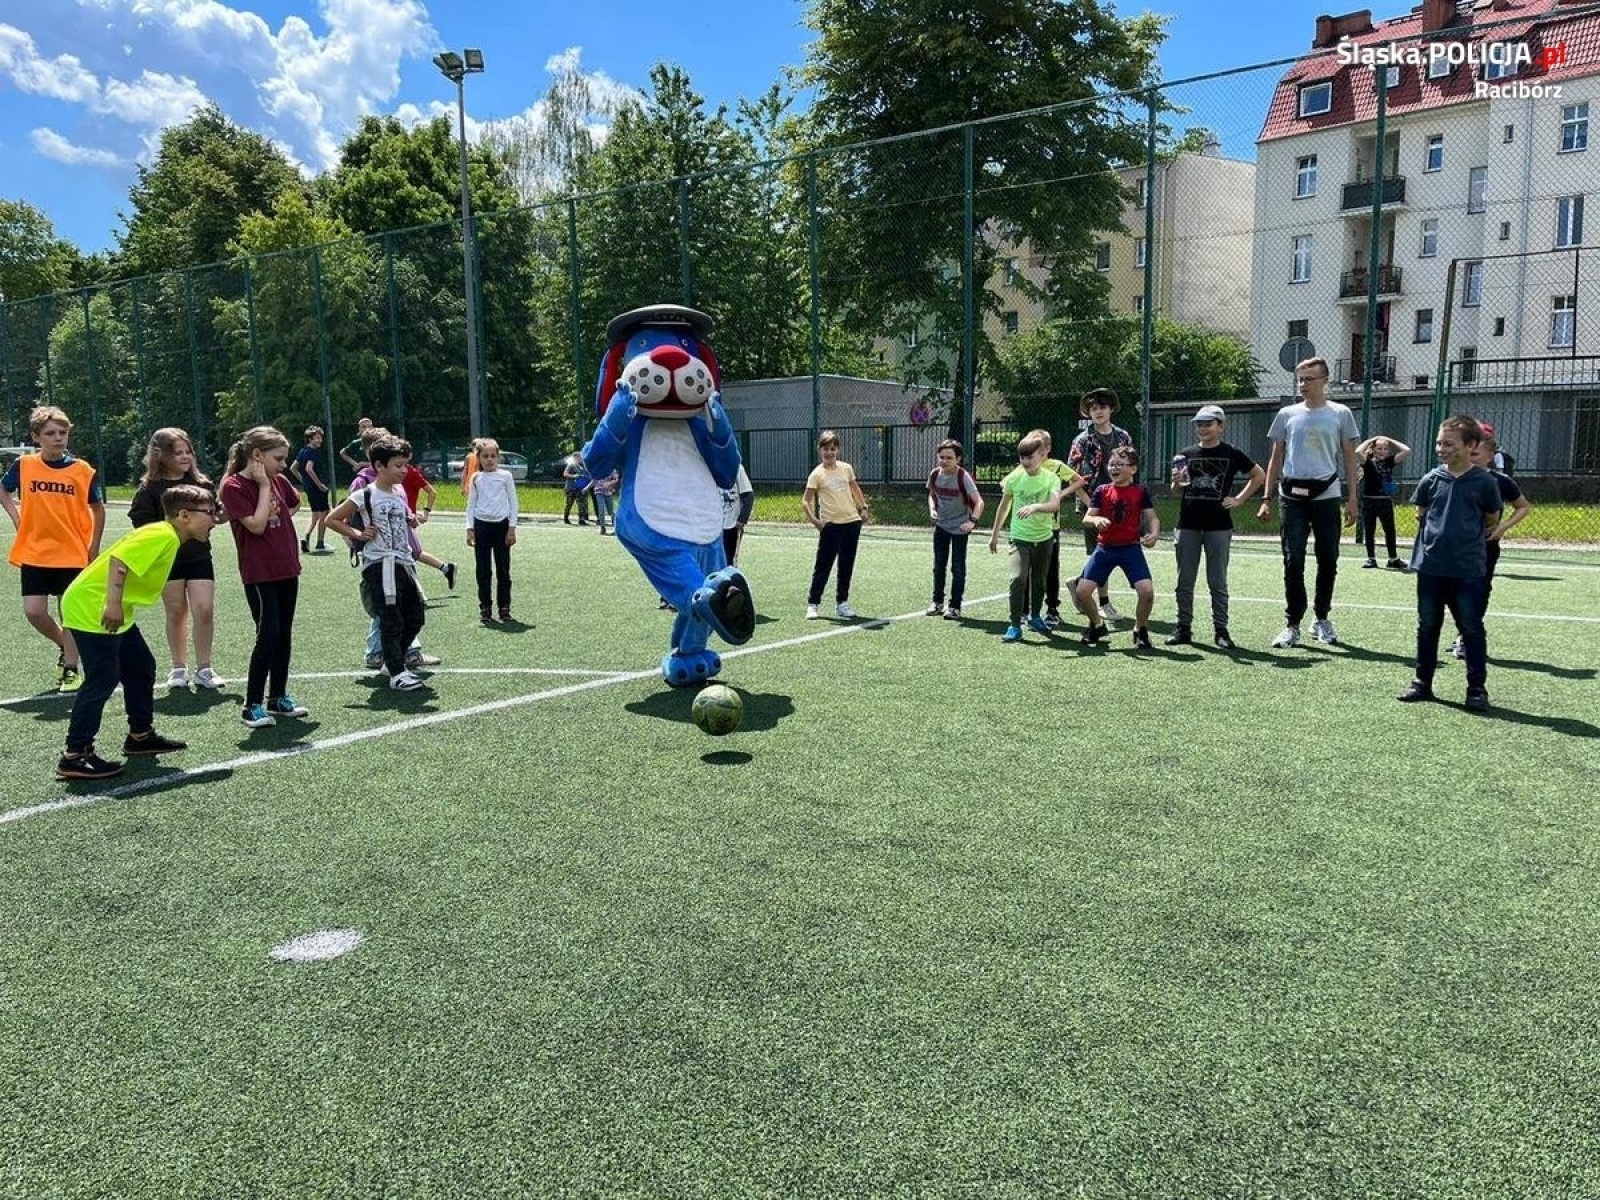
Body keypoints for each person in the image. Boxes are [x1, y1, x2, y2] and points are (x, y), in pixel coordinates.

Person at [53, 484, 216, 781]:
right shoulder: (163, 535)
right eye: (209, 512)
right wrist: (112, 603)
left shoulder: (168, 535)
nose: (214, 519)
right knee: (102, 679)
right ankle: (75, 754)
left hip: (113, 608)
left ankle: (140, 735)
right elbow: (120, 561)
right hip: (94, 607)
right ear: (184, 515)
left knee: (141, 666)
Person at [1397, 416, 1503, 713]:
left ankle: (1476, 689)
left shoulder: (1484, 482)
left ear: (1471, 445)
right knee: (1427, 625)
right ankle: (1422, 682)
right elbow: (1422, 513)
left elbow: (1491, 519)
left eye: (1449, 443)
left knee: (1470, 627)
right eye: (1439, 443)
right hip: (1431, 566)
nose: (1441, 448)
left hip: (1466, 569)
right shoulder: (1431, 479)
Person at [0, 405, 106, 692]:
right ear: (37, 437)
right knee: (34, 611)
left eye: (63, 432)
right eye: (50, 433)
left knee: (68, 611)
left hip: (72, 552)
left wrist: (93, 546)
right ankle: (65, 644)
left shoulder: (82, 470)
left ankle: (71, 669)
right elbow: (3, 489)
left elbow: (98, 509)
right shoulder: (24, 466)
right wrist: (16, 516)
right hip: (35, 551)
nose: (58, 437)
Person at [1258, 356, 1360, 648]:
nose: (1303, 384)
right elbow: (1275, 458)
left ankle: (1322, 618)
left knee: (1328, 559)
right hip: (1291, 498)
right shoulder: (1287, 414)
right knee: (1293, 560)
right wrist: (1266, 497)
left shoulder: (1340, 414)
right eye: (1300, 379)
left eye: (1309, 379)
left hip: (1327, 497)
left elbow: (1349, 458)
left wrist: (1352, 499)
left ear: (1325, 380)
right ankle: (1292, 624)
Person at [219, 425, 309, 730]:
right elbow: (256, 526)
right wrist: (263, 488)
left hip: (286, 568)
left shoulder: (279, 481)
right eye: (278, 458)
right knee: (267, 634)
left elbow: (294, 503)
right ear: (257, 456)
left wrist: (279, 519)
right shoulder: (234, 487)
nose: (283, 465)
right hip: (260, 574)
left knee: (284, 634)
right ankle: (252, 704)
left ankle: (278, 698)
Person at [326, 435, 430, 692]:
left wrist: (411, 519)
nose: (403, 471)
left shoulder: (400, 492)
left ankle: (391, 660)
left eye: (405, 465)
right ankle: (397, 672)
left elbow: (401, 517)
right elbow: (332, 519)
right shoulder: (365, 495)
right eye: (397, 465)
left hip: (403, 562)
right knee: (390, 618)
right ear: (378, 466)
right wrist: (358, 535)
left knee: (415, 616)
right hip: (380, 564)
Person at [128, 427, 226, 691]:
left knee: (204, 609)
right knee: (176, 611)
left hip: (199, 557)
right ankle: (178, 668)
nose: (185, 457)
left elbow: (215, 517)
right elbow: (141, 524)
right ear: (161, 456)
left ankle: (204, 669)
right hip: (168, 560)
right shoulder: (149, 488)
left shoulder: (203, 484)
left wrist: (223, 513)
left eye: (188, 452)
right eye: (178, 452)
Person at [1166, 405, 1264, 650]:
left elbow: (1259, 475)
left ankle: (1221, 631)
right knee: (1184, 580)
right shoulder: (1185, 454)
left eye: (1208, 423)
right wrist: (1176, 483)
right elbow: (1176, 490)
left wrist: (1240, 499)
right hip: (1187, 524)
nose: (1203, 428)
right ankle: (1183, 628)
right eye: (1199, 424)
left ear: (1221, 426)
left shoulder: (1231, 453)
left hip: (1219, 526)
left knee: (1217, 581)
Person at [1446, 427, 1532, 660]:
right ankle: (1463, 631)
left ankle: (1466, 636)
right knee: (1452, 590)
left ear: (1489, 457)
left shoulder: (1500, 481)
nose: (1469, 457)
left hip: (1484, 546)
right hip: (1455, 546)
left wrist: (1502, 527)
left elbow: (1523, 506)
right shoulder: (1450, 476)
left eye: (1475, 454)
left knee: (1479, 590)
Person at [1075, 446, 1160, 650]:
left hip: (1130, 549)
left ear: (1133, 469)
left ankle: (1140, 629)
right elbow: (1087, 517)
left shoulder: (1140, 492)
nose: (1114, 468)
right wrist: (1096, 520)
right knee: (1082, 592)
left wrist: (1154, 533)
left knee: (1146, 591)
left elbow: (1152, 517)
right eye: (1112, 464)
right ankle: (1097, 624)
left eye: (1120, 464)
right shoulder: (1101, 491)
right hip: (1105, 548)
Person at [988, 432, 1062, 643]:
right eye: (1022, 457)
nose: (1026, 461)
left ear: (1041, 455)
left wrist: (1036, 507)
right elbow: (1003, 507)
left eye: (1030, 457)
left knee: (1039, 580)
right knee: (1018, 578)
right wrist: (994, 536)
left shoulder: (1051, 479)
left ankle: (1035, 616)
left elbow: (1055, 504)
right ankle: (1014, 625)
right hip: (1020, 537)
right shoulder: (1014, 478)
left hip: (1044, 538)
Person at [1066, 388, 1133, 622]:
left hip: (1117, 502)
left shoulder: (1123, 436)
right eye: (1094, 409)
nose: (1098, 412)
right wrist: (1090, 505)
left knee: (1110, 549)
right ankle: (1103, 603)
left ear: (1111, 409)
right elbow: (1073, 476)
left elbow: (1129, 468)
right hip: (1092, 502)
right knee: (1102, 551)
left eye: (1102, 407)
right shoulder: (1082, 440)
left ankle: (1079, 582)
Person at [803, 430, 870, 620]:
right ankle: (813, 604)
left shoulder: (846, 468)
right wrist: (816, 522)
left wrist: (863, 507)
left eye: (832, 449)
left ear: (837, 450)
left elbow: (855, 489)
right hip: (830, 526)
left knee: (846, 565)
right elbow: (806, 501)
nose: (829, 453)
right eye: (825, 449)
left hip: (852, 523)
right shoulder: (817, 474)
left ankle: (842, 603)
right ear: (820, 450)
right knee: (823, 565)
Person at [926, 439, 985, 620]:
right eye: (942, 457)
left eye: (949, 458)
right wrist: (932, 509)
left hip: (959, 528)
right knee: (938, 566)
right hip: (941, 526)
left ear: (958, 459)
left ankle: (955, 606)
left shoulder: (963, 477)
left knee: (957, 568)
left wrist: (972, 521)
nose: (944, 461)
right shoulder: (935, 474)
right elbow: (931, 494)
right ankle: (937, 602)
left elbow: (979, 502)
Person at [465, 438, 519, 624]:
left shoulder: (505, 476)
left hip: (502, 526)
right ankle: (485, 607)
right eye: (485, 456)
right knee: (483, 570)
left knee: (503, 570)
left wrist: (511, 528)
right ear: (478, 458)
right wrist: (469, 528)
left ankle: (504, 607)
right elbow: (471, 505)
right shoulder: (476, 478)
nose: (489, 460)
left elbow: (513, 503)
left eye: (493, 456)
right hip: (482, 527)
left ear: (498, 457)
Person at [398, 454, 457, 590]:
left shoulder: (412, 473)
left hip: (407, 520)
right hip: (401, 518)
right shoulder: (388, 472)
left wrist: (426, 512)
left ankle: (417, 591)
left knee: (409, 554)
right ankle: (446, 568)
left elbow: (432, 492)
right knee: (413, 553)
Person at [1354, 433, 1411, 569]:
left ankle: (1393, 558)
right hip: (1369, 501)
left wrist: (1390, 439)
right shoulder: (1367, 462)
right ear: (1373, 450)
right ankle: (1371, 558)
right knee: (1369, 530)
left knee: (1390, 530)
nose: (1382, 451)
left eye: (1385, 449)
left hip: (1385, 501)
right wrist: (1371, 440)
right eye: (1379, 448)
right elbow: (1357, 451)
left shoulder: (1390, 461)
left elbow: (1407, 450)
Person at [291, 425, 333, 554]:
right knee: (324, 514)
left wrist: (304, 481)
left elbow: (293, 468)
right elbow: (309, 468)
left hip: (309, 488)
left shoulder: (303, 451)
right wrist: (319, 484)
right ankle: (320, 543)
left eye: (321, 438)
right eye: (317, 438)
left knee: (315, 514)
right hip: (317, 488)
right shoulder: (313, 452)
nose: (320, 440)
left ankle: (306, 537)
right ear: (310, 439)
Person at [721, 464, 753, 564]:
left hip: (731, 525)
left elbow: (748, 496)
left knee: (729, 560)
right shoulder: (710, 465)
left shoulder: (737, 468)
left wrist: (741, 520)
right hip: (714, 525)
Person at [337, 417, 374, 482]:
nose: (367, 429)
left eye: (369, 426)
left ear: (373, 428)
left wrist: (363, 464)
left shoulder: (378, 442)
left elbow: (382, 463)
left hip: (375, 477)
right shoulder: (356, 443)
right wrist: (354, 464)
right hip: (361, 477)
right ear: (359, 429)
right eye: (364, 427)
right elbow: (342, 452)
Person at [562, 454, 592, 525]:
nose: (581, 459)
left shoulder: (584, 466)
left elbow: (588, 475)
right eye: (579, 457)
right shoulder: (571, 465)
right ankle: (566, 518)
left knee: (581, 504)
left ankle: (581, 519)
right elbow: (565, 474)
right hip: (571, 488)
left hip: (580, 488)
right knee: (569, 504)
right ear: (575, 458)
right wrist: (574, 476)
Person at [594, 468, 622, 537]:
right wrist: (586, 488)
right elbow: (594, 480)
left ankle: (615, 528)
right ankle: (602, 527)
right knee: (601, 510)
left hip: (608, 492)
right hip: (599, 491)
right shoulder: (598, 468)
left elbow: (616, 479)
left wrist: (609, 483)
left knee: (610, 511)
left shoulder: (612, 470)